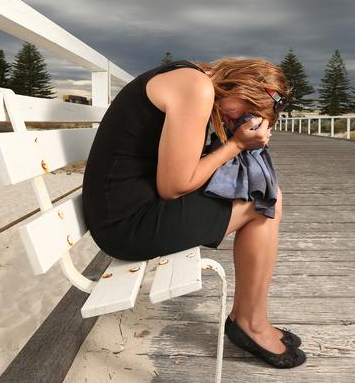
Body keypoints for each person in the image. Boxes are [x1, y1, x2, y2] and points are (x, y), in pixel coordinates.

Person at [82, 57, 306, 368]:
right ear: (242, 87)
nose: (245, 119)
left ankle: (247, 317)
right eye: (248, 110)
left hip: (122, 207)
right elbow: (174, 186)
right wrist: (238, 144)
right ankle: (250, 324)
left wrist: (234, 136)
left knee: (268, 197)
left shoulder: (191, 79)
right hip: (125, 224)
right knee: (263, 203)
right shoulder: (196, 88)